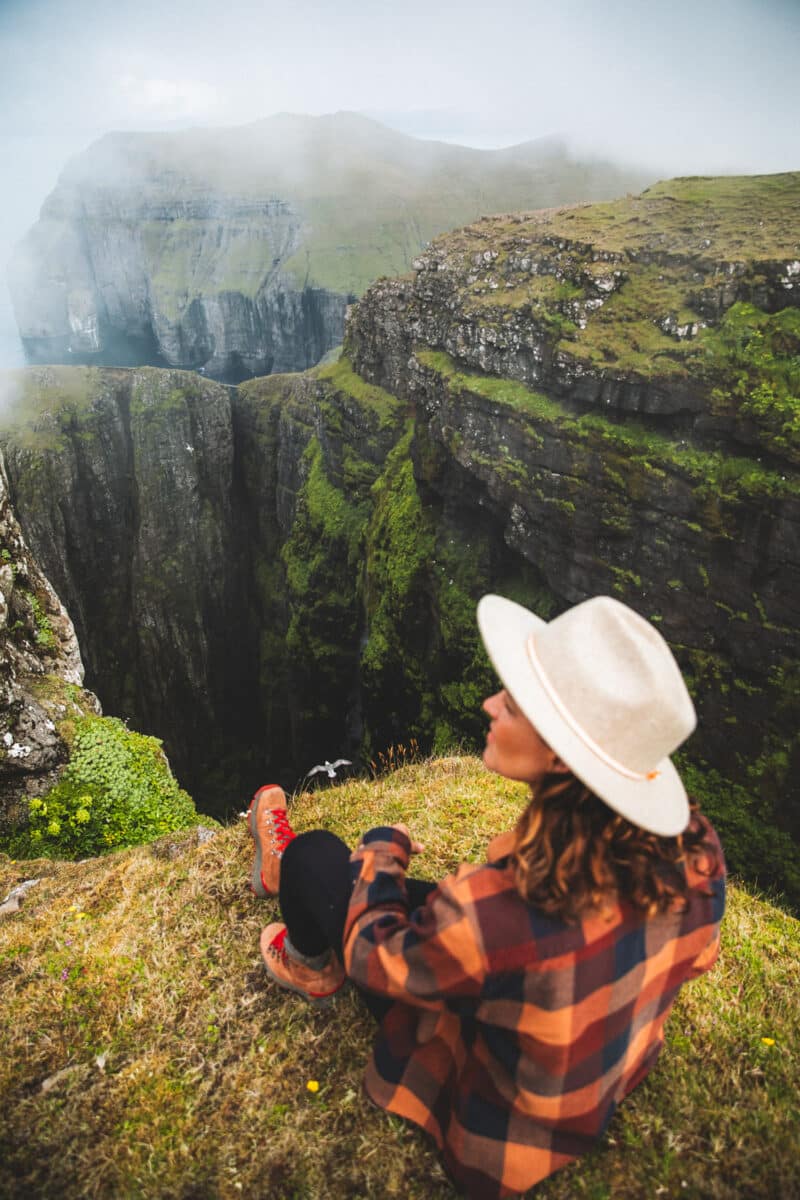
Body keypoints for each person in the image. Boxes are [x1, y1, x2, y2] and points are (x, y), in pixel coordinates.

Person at [247, 594, 725, 1198]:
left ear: (559, 755)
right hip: (597, 1080)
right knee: (399, 897)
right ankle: (297, 877)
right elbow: (698, 956)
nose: (489, 704)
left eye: (516, 704)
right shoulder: (696, 849)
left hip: (503, 1125)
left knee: (316, 859)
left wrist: (381, 852)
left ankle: (307, 954)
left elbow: (379, 956)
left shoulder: (498, 912)